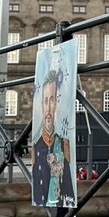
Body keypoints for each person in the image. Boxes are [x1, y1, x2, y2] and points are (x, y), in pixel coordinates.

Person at [33, 67, 74, 208]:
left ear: (57, 104)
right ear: (41, 105)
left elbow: (68, 186)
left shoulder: (63, 144)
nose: (49, 108)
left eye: (52, 100)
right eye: (46, 101)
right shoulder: (36, 144)